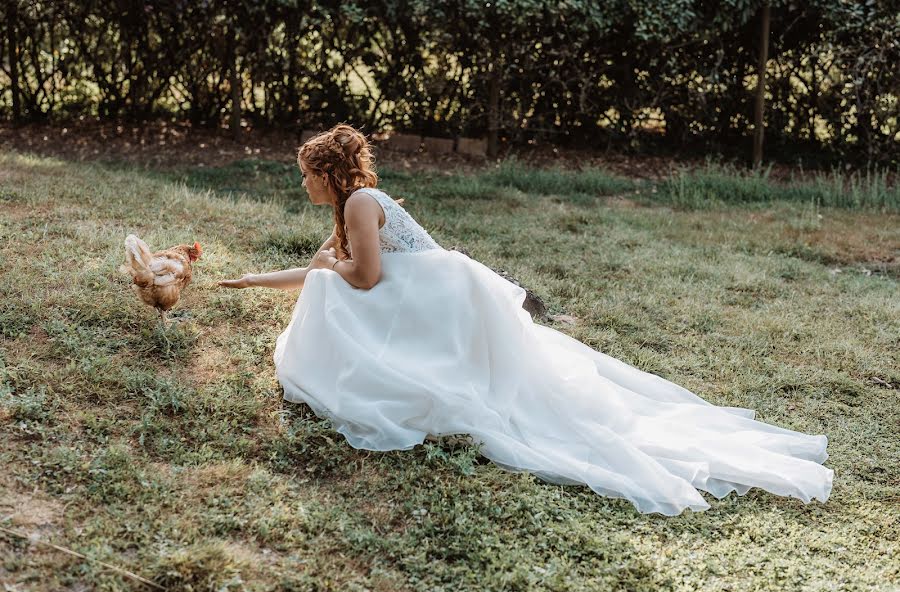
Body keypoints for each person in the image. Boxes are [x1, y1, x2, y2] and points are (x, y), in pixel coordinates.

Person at [218, 124, 833, 516]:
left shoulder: (358, 201)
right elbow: (332, 271)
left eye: (304, 175)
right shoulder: (358, 202)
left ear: (326, 175)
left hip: (446, 306)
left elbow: (366, 278)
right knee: (325, 291)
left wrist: (326, 266)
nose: (301, 184)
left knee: (335, 297)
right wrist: (254, 279)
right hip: (441, 299)